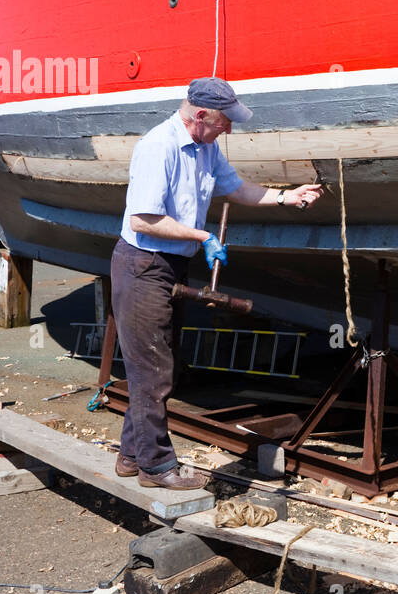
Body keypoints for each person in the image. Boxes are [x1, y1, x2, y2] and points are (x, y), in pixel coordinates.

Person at [111, 77, 323, 490]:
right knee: (153, 371)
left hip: (170, 266)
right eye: (226, 121)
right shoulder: (160, 146)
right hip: (143, 264)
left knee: (157, 365)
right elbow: (143, 219)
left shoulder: (206, 147)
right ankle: (156, 468)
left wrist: (285, 197)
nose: (230, 129)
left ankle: (131, 456)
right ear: (201, 115)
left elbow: (237, 189)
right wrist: (203, 236)